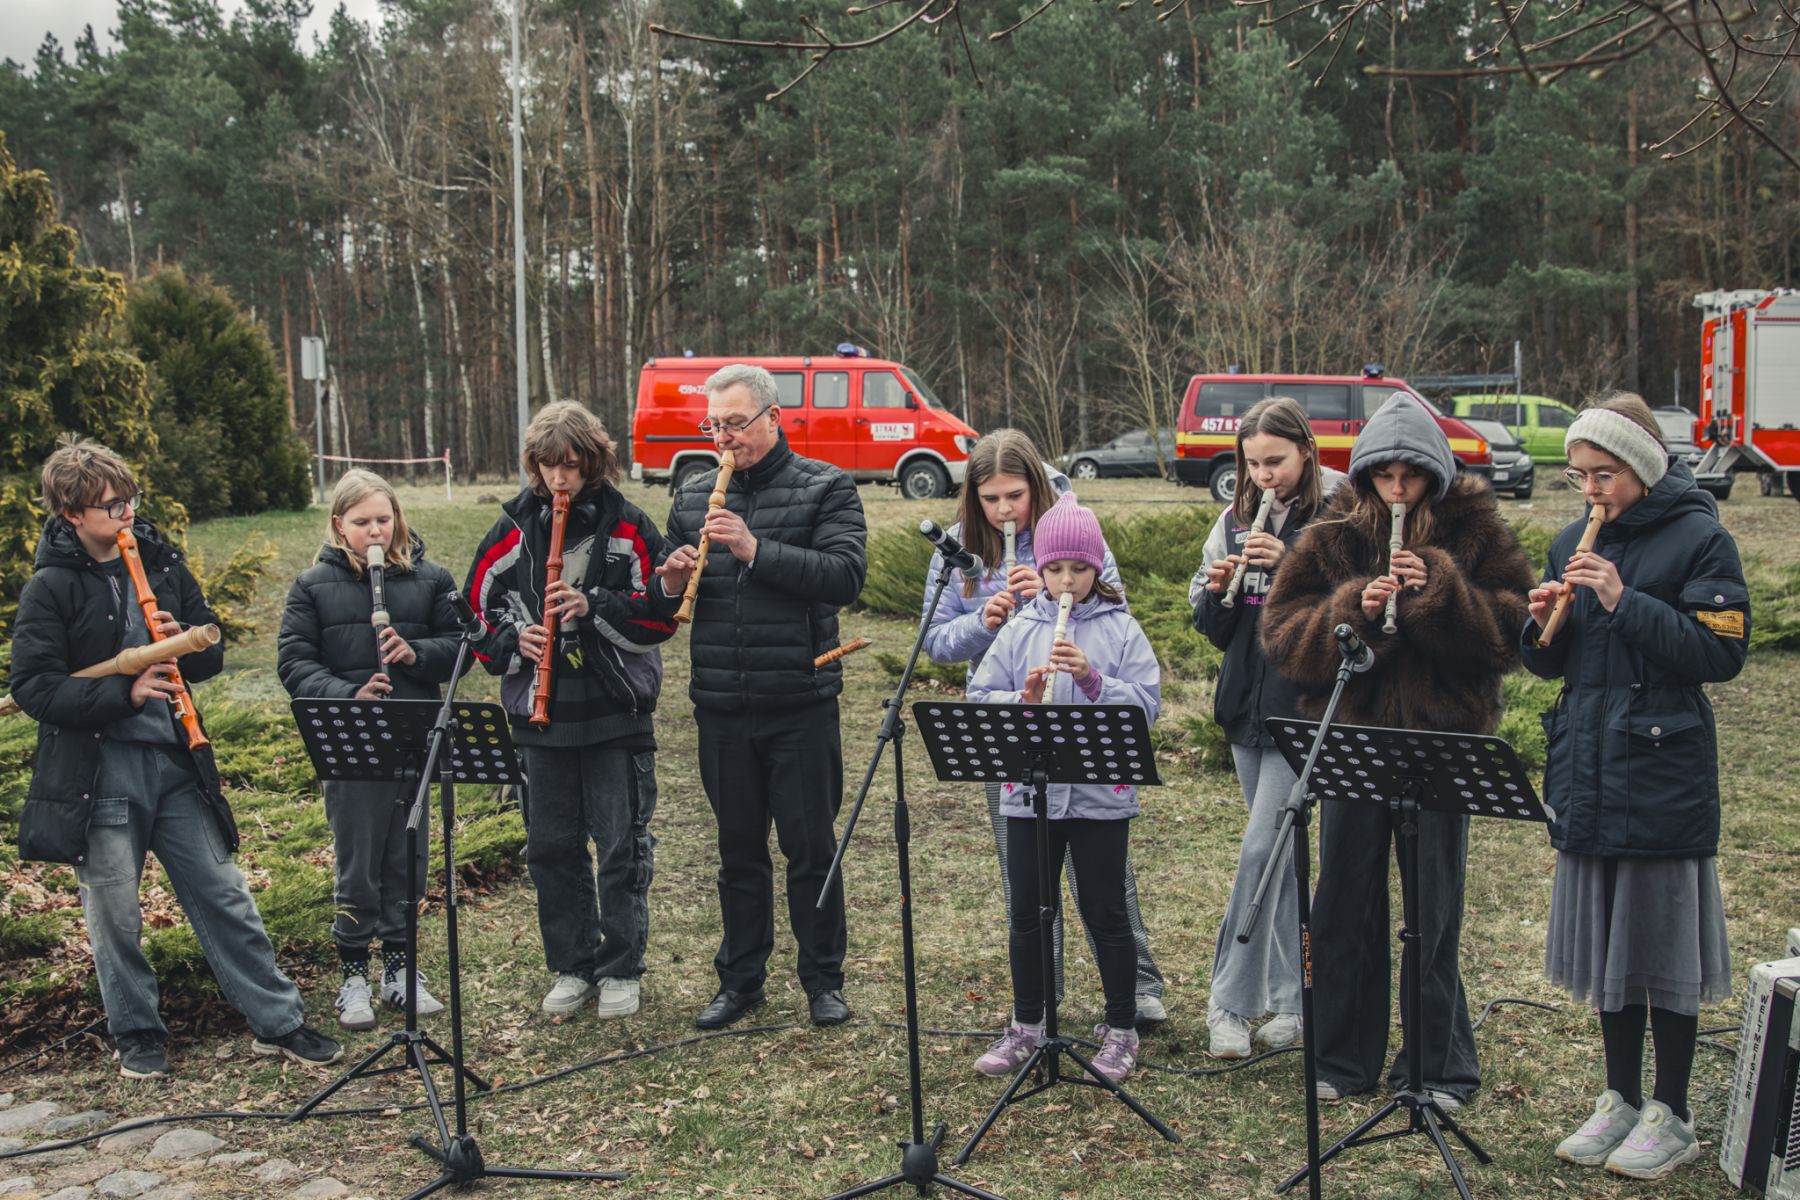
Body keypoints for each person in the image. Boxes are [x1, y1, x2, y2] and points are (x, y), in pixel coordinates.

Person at [12, 437, 342, 1078]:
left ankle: (278, 1022)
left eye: (128, 499)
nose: (125, 514)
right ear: (73, 514)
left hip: (177, 760)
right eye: (110, 506)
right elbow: (34, 687)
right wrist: (123, 689)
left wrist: (180, 641)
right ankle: (136, 1033)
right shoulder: (50, 587)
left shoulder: (159, 560)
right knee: (116, 913)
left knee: (225, 894)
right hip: (100, 771)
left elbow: (211, 653)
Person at [1261, 394, 1533, 1109]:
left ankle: (1438, 1067)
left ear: (1436, 472)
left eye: (1412, 473)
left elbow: (1514, 635)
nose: (1398, 487)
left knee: (1433, 909)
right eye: (1385, 473)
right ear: (1366, 473)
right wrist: (1353, 609)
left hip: (1442, 747)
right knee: (1344, 900)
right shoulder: (1332, 532)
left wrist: (1443, 594)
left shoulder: (1480, 532)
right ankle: (1342, 1059)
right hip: (1354, 742)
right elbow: (1283, 636)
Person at [1521, 394, 1746, 1181]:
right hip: (1589, 764)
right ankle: (1619, 1096)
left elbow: (1718, 656)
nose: (1590, 491)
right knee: (1612, 947)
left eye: (1604, 475)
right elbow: (1555, 662)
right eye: (1580, 476)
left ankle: (1672, 1111)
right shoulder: (1566, 543)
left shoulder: (1701, 538)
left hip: (1661, 772)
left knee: (1659, 948)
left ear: (1642, 470)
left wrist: (1622, 598)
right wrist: (1541, 621)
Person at [920, 428, 1168, 1026]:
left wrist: (1049, 594)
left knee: (1103, 874)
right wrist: (989, 619)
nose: (1005, 510)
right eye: (991, 499)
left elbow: (1116, 610)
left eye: (1015, 495)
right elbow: (935, 642)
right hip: (1010, 717)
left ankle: (1137, 988)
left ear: (1036, 485)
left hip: (1086, 718)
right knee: (1027, 877)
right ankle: (1041, 1002)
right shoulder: (957, 550)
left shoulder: (1074, 531)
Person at [656, 363, 868, 1030]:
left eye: (736, 424)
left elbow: (843, 577)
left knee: (810, 848)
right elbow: (664, 604)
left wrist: (753, 549)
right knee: (737, 850)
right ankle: (741, 979)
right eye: (713, 425)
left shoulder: (826, 487)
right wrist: (669, 581)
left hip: (799, 700)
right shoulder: (692, 496)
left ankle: (823, 980)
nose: (724, 438)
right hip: (720, 702)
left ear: (774, 418)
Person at [466, 401, 680, 1020]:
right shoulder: (512, 527)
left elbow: (659, 616)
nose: (559, 480)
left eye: (571, 466)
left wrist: (593, 605)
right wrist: (516, 643)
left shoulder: (629, 525)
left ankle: (621, 967)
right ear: (533, 466)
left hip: (616, 714)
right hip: (541, 719)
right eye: (548, 467)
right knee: (551, 847)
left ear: (593, 463)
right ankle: (572, 964)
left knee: (620, 844)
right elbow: (473, 610)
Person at [964, 492, 1161, 1085]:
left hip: (1102, 799)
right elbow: (979, 700)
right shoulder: (1021, 628)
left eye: (1078, 569)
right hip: (1029, 796)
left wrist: (1094, 680)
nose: (1066, 580)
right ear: (1041, 570)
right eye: (1055, 569)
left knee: (1105, 911)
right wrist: (1019, 700)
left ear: (1096, 569)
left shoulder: (1122, 628)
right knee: (1028, 913)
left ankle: (1121, 1028)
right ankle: (1029, 1024)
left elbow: (1146, 707)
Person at [278, 469, 465, 1030]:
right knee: (358, 862)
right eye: (362, 523)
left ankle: (401, 971)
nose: (375, 532)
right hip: (351, 742)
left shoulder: (430, 579)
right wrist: (348, 694)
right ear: (340, 525)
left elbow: (463, 645)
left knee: (407, 858)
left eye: (384, 520)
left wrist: (415, 654)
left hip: (413, 737)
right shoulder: (313, 586)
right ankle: (354, 975)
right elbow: (294, 661)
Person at [1189, 397, 1344, 1059]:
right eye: (1252, 463)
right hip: (1245, 708)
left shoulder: (1338, 517)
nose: (1263, 475)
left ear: (1306, 452)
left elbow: (1344, 613)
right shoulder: (1235, 517)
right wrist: (1218, 588)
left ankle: (1227, 1004)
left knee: (1261, 853)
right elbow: (1218, 629)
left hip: (1301, 712)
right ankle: (1292, 1001)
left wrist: (1286, 563)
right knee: (1280, 861)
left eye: (1275, 461)